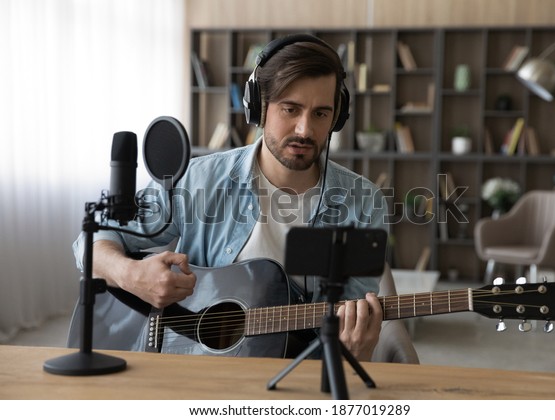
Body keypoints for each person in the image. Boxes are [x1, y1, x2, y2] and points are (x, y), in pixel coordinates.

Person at [73, 34, 416, 363]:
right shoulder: (199, 179)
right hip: (194, 365)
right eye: (290, 109)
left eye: (321, 114)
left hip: (297, 377)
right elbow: (91, 243)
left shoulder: (363, 202)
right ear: (259, 106)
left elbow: (350, 329)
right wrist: (133, 275)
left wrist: (356, 349)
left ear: (337, 118)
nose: (304, 130)